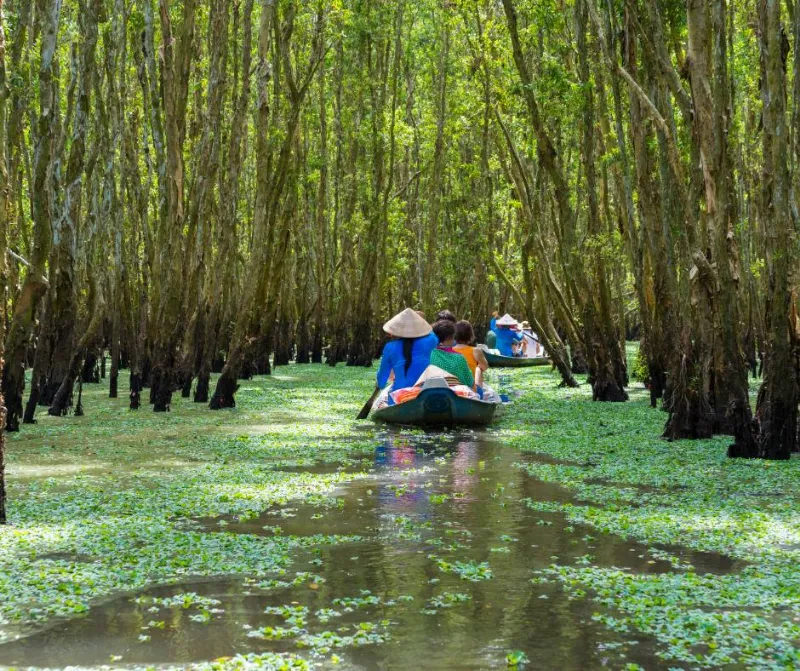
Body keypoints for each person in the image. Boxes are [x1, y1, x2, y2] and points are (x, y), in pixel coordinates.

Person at [376, 308, 438, 397]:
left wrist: (379, 383)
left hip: (399, 394)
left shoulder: (390, 347)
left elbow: (382, 380)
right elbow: (430, 333)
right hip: (424, 391)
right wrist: (421, 323)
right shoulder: (431, 340)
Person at [453, 320, 501, 403]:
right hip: (472, 389)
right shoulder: (476, 351)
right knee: (479, 368)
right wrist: (478, 367)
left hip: (454, 387)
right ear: (471, 336)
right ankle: (479, 395)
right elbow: (485, 367)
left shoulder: (449, 351)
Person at [429, 320, 474, 388]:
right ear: (450, 337)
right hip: (455, 395)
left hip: (434, 391)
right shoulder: (459, 358)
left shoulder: (429, 354)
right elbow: (469, 382)